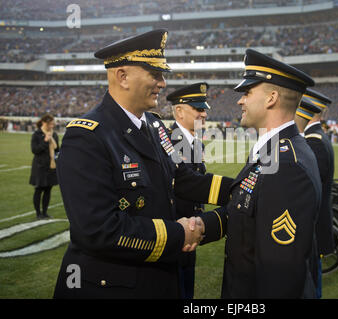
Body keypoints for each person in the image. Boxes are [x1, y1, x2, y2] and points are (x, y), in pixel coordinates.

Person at [53, 29, 233, 299]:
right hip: (111, 288)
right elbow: (98, 230)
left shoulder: (154, 125)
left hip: (157, 278)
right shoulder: (87, 136)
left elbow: (182, 179)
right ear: (122, 76)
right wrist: (180, 234)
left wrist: (244, 189)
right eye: (155, 74)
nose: (162, 83)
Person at [199, 49, 322, 298]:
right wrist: (203, 225)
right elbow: (247, 210)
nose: (240, 101)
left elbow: (280, 276)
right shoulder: (274, 151)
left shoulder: (286, 165)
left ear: (271, 98)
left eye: (247, 93)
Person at [166, 82, 210, 299]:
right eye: (198, 109)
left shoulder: (196, 143)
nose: (204, 114)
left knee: (187, 288)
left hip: (191, 228)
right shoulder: (168, 142)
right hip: (176, 229)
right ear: (180, 111)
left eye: (204, 109)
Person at [294, 88, 335, 298]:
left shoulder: (315, 142)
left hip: (314, 225)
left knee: (312, 284)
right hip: (318, 222)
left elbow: (310, 191)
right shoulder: (319, 137)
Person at [29, 113, 59, 219]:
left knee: (48, 190)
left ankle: (45, 212)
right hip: (39, 166)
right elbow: (34, 150)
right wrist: (45, 141)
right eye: (49, 124)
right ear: (43, 123)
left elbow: (57, 150)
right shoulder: (37, 134)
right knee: (38, 189)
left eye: (52, 124)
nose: (51, 126)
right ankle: (38, 213)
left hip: (51, 166)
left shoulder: (54, 134)